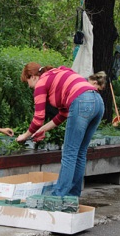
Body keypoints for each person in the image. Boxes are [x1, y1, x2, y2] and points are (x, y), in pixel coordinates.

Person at [16, 63, 104, 197]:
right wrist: (42, 130)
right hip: (98, 102)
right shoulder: (56, 74)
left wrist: (25, 135)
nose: (28, 86)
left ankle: (58, 195)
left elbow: (39, 117)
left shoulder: (41, 83)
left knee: (69, 153)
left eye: (27, 81)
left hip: (82, 101)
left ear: (33, 76)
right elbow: (63, 114)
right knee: (80, 152)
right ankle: (72, 196)